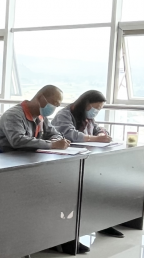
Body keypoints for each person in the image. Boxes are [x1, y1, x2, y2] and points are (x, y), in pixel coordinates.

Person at [51, 90, 121, 239]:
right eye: (96, 108)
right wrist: (95, 139)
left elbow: (98, 128)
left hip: (86, 160)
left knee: (102, 188)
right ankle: (68, 235)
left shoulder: (87, 117)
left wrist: (101, 134)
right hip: (66, 163)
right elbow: (70, 134)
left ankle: (103, 224)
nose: (96, 112)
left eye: (99, 109)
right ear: (86, 103)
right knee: (75, 194)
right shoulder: (65, 115)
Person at [0, 84, 68, 152]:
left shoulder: (41, 116)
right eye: (54, 103)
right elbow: (17, 140)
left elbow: (55, 133)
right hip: (3, 156)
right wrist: (51, 144)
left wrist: (56, 140)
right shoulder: (13, 115)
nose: (54, 107)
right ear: (40, 98)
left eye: (57, 105)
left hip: (25, 157)